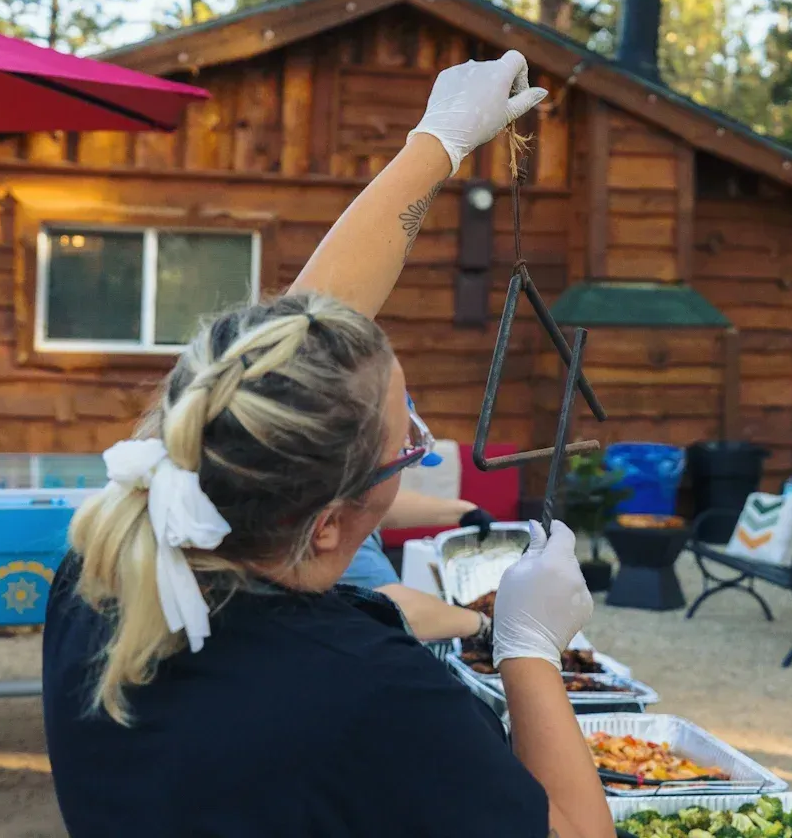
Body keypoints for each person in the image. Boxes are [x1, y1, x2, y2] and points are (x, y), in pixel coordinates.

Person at [42, 51, 616, 838]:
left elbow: (289, 346)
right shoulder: (369, 696)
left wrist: (436, 145)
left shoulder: (105, 572)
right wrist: (528, 650)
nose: (419, 440)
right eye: (408, 439)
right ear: (331, 524)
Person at [341, 477, 498, 641]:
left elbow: (368, 503)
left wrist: (464, 512)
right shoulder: (340, 534)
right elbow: (391, 607)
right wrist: (481, 624)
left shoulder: (337, 484)